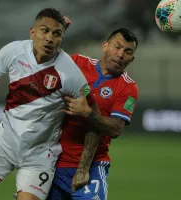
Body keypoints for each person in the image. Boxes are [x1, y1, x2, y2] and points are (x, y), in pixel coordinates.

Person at [0, 8, 94, 200]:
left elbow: (93, 117)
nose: (49, 38)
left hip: (39, 155)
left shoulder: (72, 75)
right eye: (44, 31)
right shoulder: (13, 52)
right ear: (32, 33)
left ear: (62, 38)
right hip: (3, 143)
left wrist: (84, 166)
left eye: (56, 34)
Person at [47, 28, 139, 200]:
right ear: (105, 46)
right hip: (52, 160)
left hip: (93, 166)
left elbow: (116, 129)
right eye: (117, 47)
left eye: (127, 52)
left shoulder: (128, 88)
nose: (120, 55)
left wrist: (88, 113)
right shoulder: (77, 62)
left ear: (131, 59)